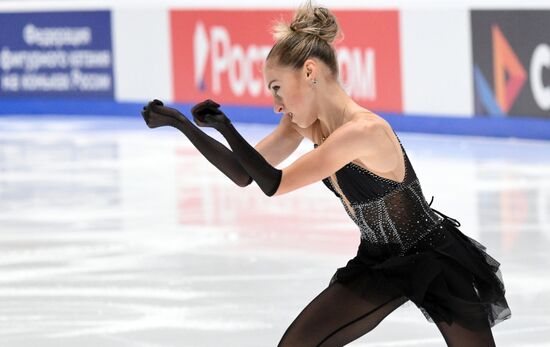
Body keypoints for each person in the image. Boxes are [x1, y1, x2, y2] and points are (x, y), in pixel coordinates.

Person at [141, 1, 511, 346]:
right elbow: (244, 173)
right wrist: (183, 125)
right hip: (377, 260)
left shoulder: (363, 131)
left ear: (309, 71)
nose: (276, 105)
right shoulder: (305, 125)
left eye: (278, 89)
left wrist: (225, 127)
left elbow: (276, 183)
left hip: (431, 258)